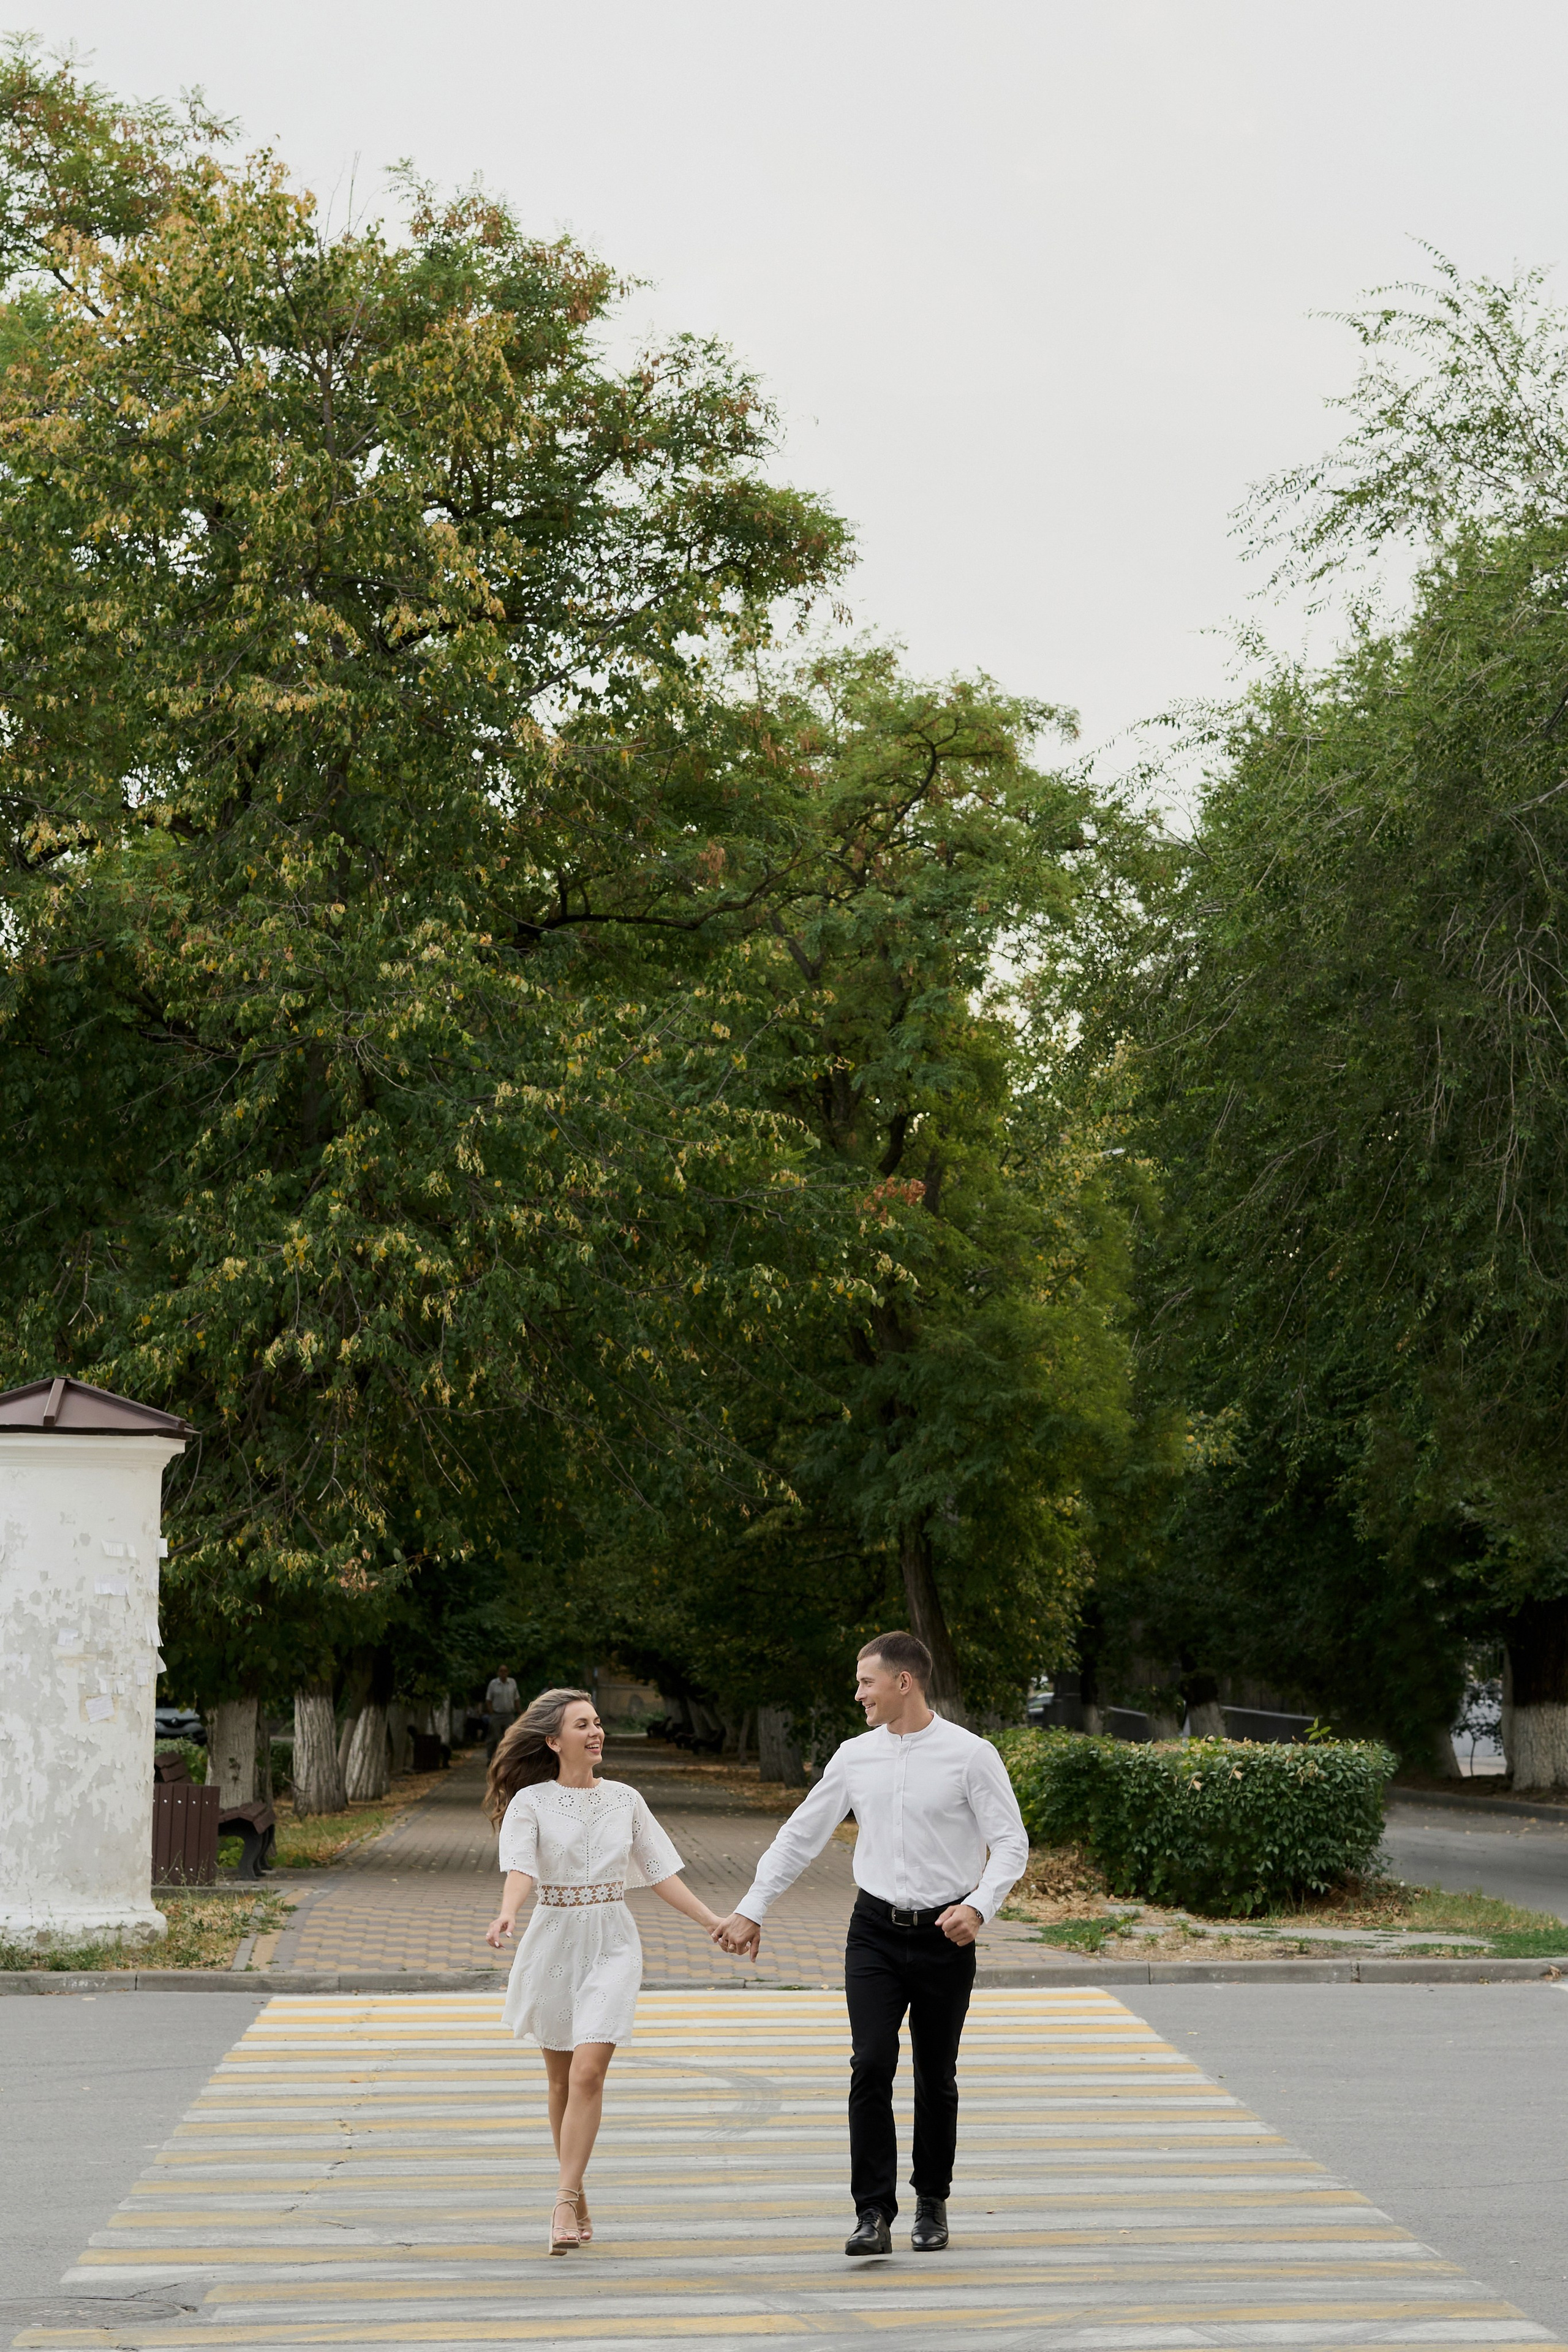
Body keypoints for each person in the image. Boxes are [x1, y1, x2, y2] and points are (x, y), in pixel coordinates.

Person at [713, 1632, 1028, 2258]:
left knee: (936, 2076)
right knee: (871, 2063)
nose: (857, 1694)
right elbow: (801, 1834)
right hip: (874, 1934)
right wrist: (752, 1907)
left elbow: (1011, 1842)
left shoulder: (970, 1755)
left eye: (866, 1682)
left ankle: (931, 2201)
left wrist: (978, 1907)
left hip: (945, 1934)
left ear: (902, 1682)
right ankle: (872, 2212)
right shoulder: (855, 1757)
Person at [484, 1686, 740, 2252]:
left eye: (597, 1722)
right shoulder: (531, 1803)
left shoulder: (626, 1798)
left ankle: (560, 2202)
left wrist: (711, 1920)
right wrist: (507, 1913)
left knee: (588, 2073)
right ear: (554, 1741)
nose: (596, 1732)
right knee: (558, 2080)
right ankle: (575, 2193)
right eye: (583, 1725)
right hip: (553, 1940)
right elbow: (521, 1869)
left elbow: (658, 1871)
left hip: (612, 1942)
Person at [484, 1666, 520, 1760]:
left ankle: (507, 1758)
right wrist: (491, 1712)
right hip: (497, 1714)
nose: (503, 1673)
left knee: (510, 1737)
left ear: (508, 1672)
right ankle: (491, 1758)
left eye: (505, 1671)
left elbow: (516, 1698)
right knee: (495, 1737)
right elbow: (488, 1699)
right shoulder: (493, 1684)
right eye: (501, 1671)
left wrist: (519, 1711)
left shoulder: (512, 1682)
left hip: (509, 1714)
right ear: (498, 1673)